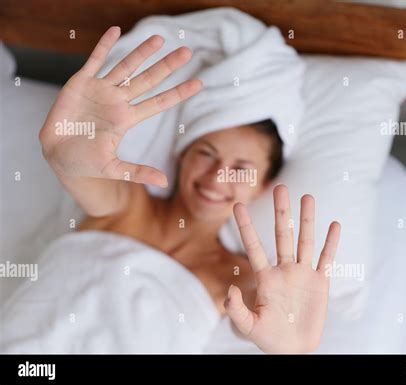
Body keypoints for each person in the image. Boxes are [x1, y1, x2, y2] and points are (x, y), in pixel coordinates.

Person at [39, 26, 341, 354]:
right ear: (182, 155)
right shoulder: (127, 203)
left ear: (262, 186)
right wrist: (67, 150)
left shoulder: (240, 275)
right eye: (206, 154)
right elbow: (82, 175)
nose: (215, 177)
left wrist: (291, 342)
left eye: (240, 169)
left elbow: (263, 312)